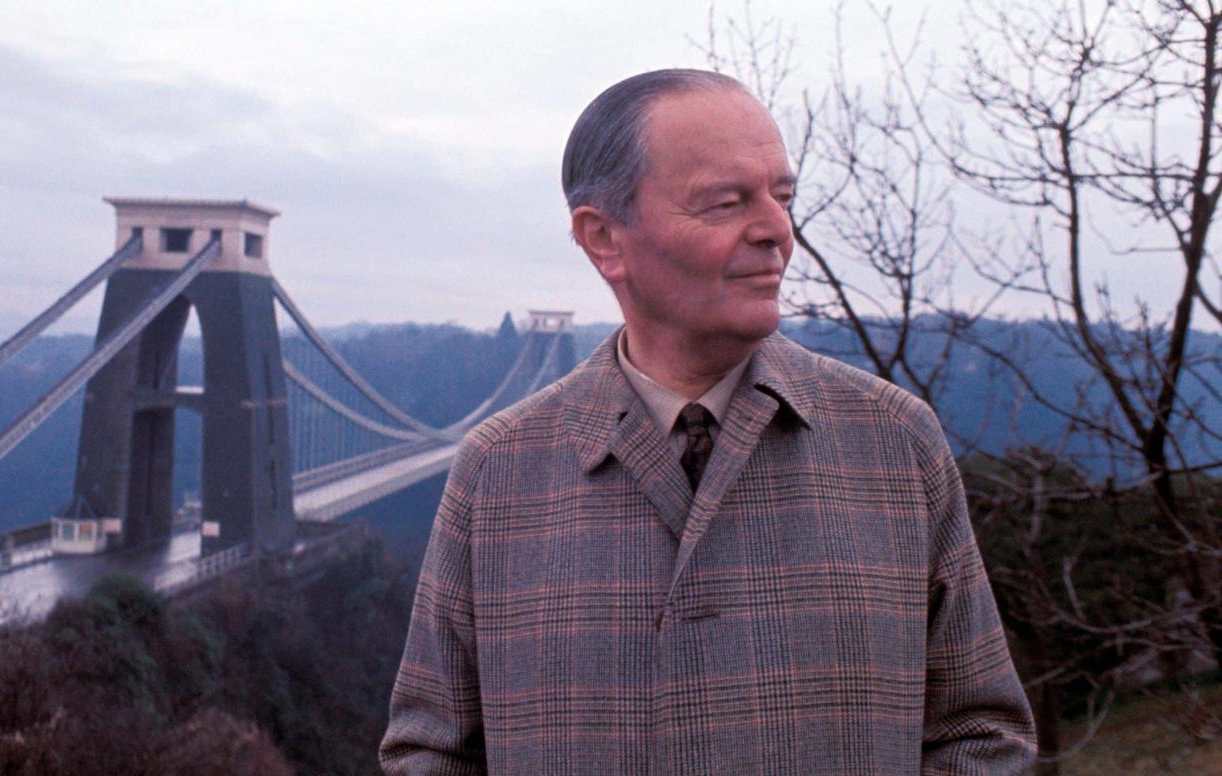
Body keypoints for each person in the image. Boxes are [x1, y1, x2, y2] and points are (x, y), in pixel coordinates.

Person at [381, 68, 1037, 775]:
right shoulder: (498, 471)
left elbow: (982, 734)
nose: (778, 233)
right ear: (603, 237)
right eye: (727, 203)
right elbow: (432, 752)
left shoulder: (896, 443)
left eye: (782, 198)